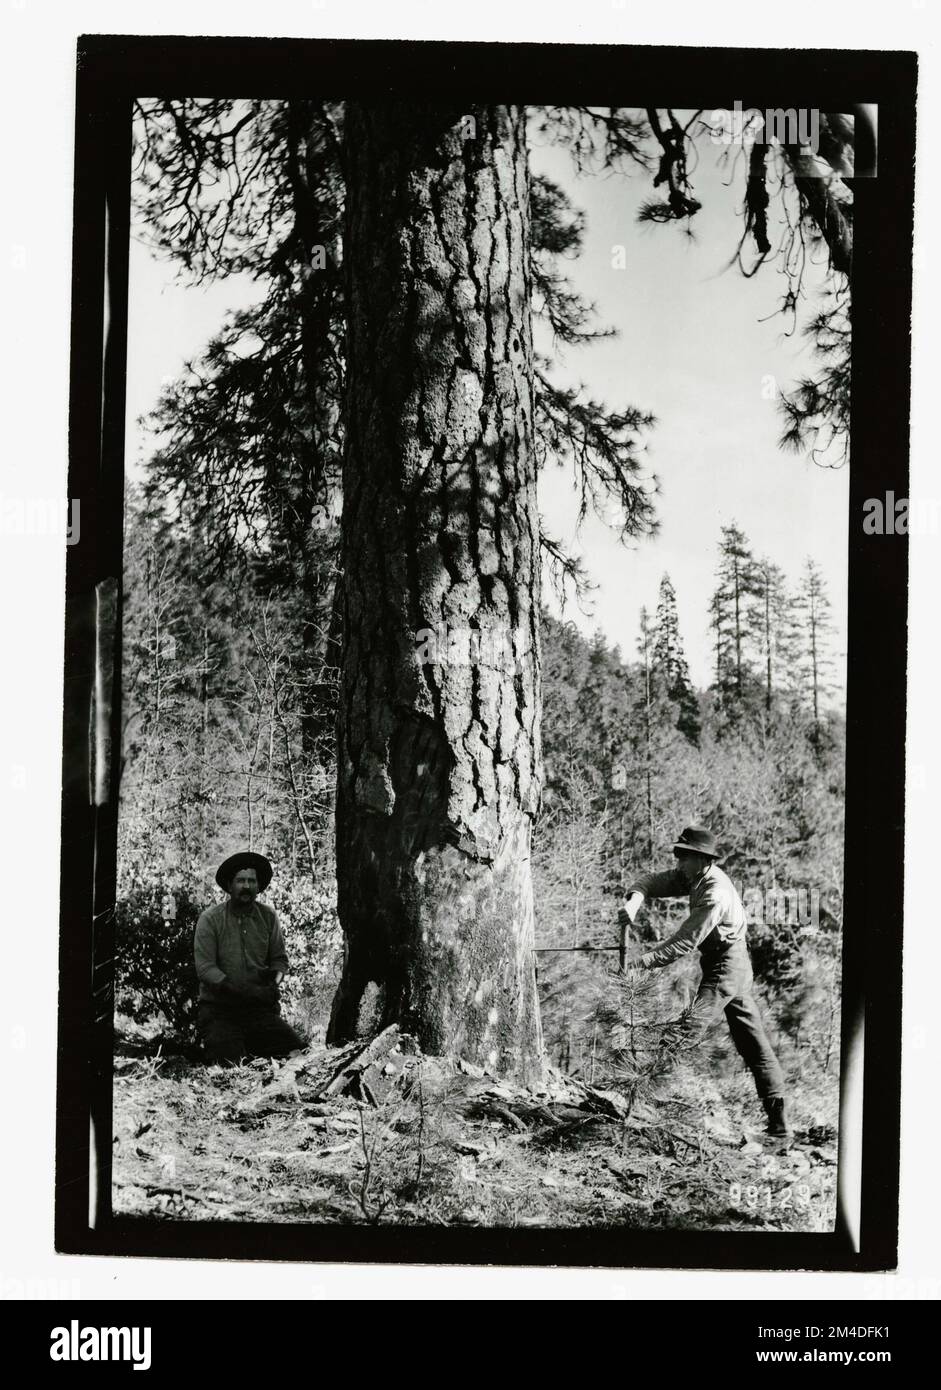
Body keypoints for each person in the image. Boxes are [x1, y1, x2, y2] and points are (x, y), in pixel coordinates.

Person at [619, 825, 790, 1137]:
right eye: (678, 855)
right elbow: (650, 881)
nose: (678, 861)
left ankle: (642, 1100)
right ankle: (779, 1127)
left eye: (684, 856)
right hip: (729, 964)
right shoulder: (693, 876)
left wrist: (643, 962)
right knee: (752, 1042)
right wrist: (633, 901)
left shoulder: (714, 892)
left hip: (728, 965)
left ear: (703, 859)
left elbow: (686, 940)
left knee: (684, 1031)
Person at [193, 850, 306, 1065]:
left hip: (258, 1011)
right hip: (221, 1011)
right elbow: (206, 968)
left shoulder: (268, 917)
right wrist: (241, 991)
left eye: (251, 881)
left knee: (296, 1054)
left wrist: (272, 985)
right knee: (232, 1065)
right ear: (229, 885)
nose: (246, 886)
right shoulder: (210, 920)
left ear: (258, 886)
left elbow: (279, 961)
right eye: (240, 881)